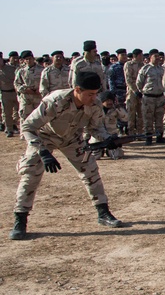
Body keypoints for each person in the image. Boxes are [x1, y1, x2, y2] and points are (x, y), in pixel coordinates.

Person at [9, 71, 125, 240]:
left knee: (90, 170)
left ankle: (103, 213)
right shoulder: (55, 101)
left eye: (96, 94)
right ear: (77, 89)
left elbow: (95, 128)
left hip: (73, 140)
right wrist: (42, 151)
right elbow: (27, 127)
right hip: (43, 139)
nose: (94, 98)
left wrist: (108, 139)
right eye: (89, 94)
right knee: (31, 174)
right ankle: (20, 220)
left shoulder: (95, 104)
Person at [136, 49, 165, 144]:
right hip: (148, 97)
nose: (158, 58)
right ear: (150, 57)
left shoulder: (161, 69)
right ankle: (148, 138)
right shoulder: (145, 69)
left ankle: (159, 136)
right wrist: (143, 92)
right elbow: (139, 83)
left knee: (159, 118)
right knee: (148, 118)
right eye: (155, 56)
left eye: (158, 56)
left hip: (160, 97)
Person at [14, 50, 43, 122]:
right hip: (26, 97)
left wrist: (40, 90)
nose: (29, 60)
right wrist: (25, 90)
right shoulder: (21, 71)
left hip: (38, 97)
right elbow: (17, 84)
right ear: (24, 60)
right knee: (24, 118)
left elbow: (45, 82)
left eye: (30, 58)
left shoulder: (41, 69)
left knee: (39, 117)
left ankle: (37, 133)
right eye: (26, 59)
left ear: (33, 58)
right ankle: (24, 133)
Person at [124, 48, 144, 135]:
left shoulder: (142, 65)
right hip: (132, 92)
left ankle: (140, 132)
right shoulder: (128, 64)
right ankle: (131, 132)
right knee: (131, 113)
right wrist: (135, 91)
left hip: (141, 92)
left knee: (141, 113)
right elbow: (128, 80)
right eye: (141, 55)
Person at [0, 54, 19, 136]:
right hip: (5, 93)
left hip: (15, 92)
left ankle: (14, 124)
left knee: (19, 111)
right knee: (7, 113)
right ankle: (9, 129)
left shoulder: (11, 69)